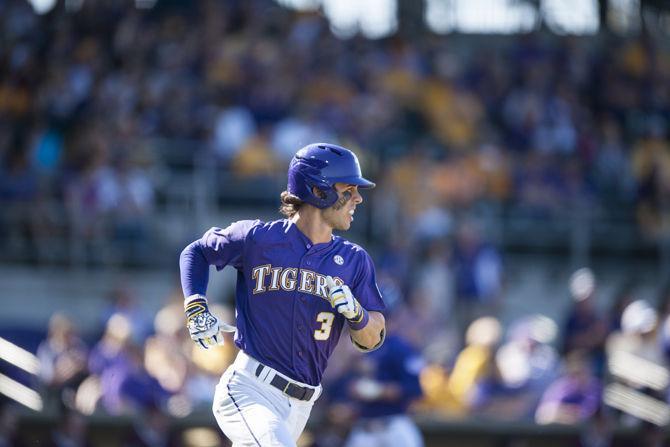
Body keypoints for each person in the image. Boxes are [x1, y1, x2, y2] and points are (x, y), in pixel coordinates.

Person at [179, 143, 386, 446]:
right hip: (250, 389)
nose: (358, 198)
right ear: (318, 191)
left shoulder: (354, 259)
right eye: (349, 189)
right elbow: (196, 251)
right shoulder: (258, 238)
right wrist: (196, 305)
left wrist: (357, 314)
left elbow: (373, 338)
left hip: (302, 406)